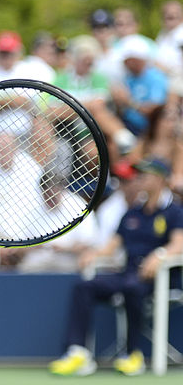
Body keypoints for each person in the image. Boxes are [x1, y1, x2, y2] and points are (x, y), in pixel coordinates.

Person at [48, 157, 183, 377]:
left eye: (145, 175)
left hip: (159, 280)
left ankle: (133, 354)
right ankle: (77, 352)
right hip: (129, 273)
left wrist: (158, 256)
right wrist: (93, 254)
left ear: (160, 180)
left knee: (132, 287)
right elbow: (112, 245)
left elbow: (179, 244)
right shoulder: (132, 213)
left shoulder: (175, 212)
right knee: (84, 287)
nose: (140, 179)